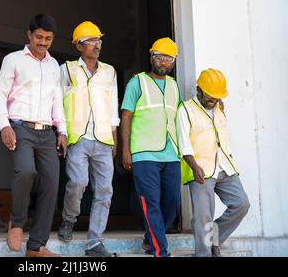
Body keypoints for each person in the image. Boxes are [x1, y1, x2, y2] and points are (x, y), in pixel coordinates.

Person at [0, 14, 67, 257]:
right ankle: (16, 222)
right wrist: (4, 125)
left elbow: (57, 100)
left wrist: (62, 131)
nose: (43, 42)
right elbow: (0, 93)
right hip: (20, 127)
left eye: (48, 38)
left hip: (46, 132)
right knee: (26, 171)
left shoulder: (53, 65)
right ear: (29, 34)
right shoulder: (13, 60)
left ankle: (36, 246)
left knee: (51, 182)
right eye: (39, 37)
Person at [57, 21, 119, 257]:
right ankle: (68, 218)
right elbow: (58, 102)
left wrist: (114, 137)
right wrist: (61, 132)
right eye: (92, 41)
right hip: (78, 136)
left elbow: (112, 104)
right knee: (78, 183)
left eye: (99, 40)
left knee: (105, 190)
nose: (97, 45)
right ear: (79, 46)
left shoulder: (109, 71)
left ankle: (95, 242)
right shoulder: (67, 70)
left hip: (103, 138)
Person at [177, 68, 250, 257]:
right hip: (200, 169)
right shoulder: (185, 109)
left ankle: (214, 238)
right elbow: (184, 143)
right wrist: (194, 167)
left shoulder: (218, 108)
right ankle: (203, 253)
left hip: (225, 166)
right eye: (210, 97)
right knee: (203, 217)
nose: (213, 101)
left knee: (241, 204)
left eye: (217, 97)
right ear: (198, 89)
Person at [121, 37, 181, 257]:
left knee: (173, 202)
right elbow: (126, 116)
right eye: (159, 57)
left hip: (171, 152)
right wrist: (126, 150)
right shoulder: (137, 82)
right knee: (151, 203)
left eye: (168, 58)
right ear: (151, 57)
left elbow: (182, 115)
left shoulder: (174, 85)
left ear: (173, 62)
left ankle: (151, 238)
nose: (163, 62)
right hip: (144, 153)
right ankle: (160, 251)